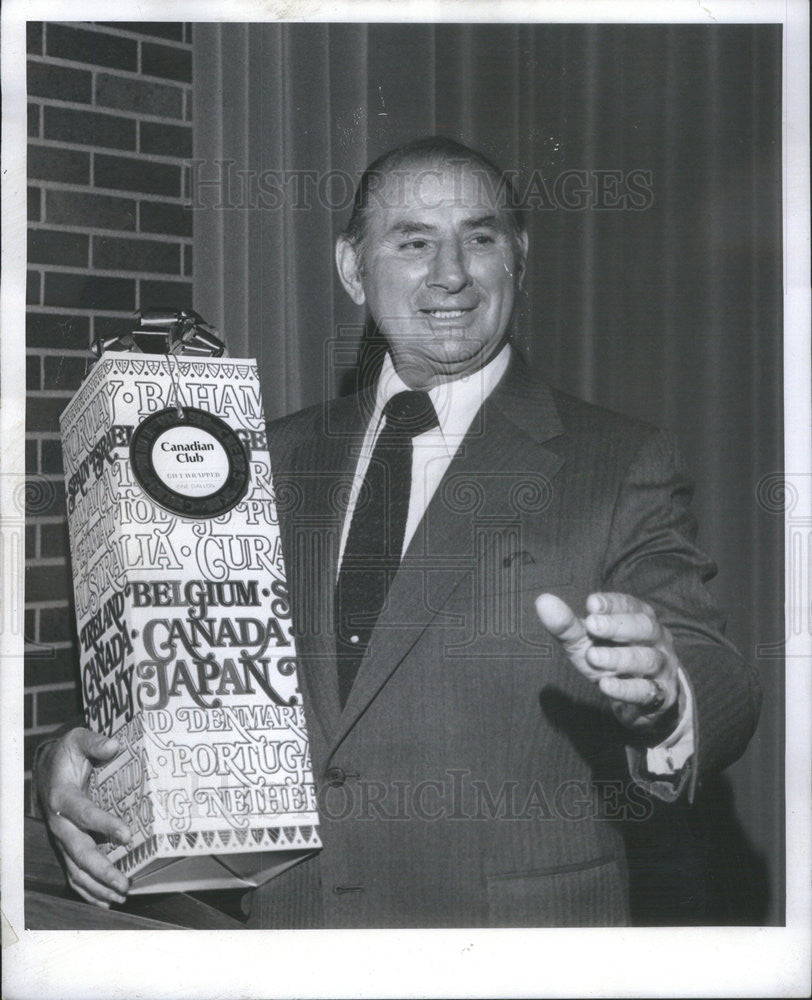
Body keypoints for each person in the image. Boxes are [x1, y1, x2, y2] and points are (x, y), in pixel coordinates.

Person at [36, 136, 761, 927]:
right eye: (413, 241)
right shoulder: (254, 455)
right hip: (289, 945)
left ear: (517, 257)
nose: (450, 273)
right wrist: (67, 763)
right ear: (353, 268)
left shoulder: (617, 460)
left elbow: (713, 669)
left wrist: (669, 693)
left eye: (479, 239)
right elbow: (176, 674)